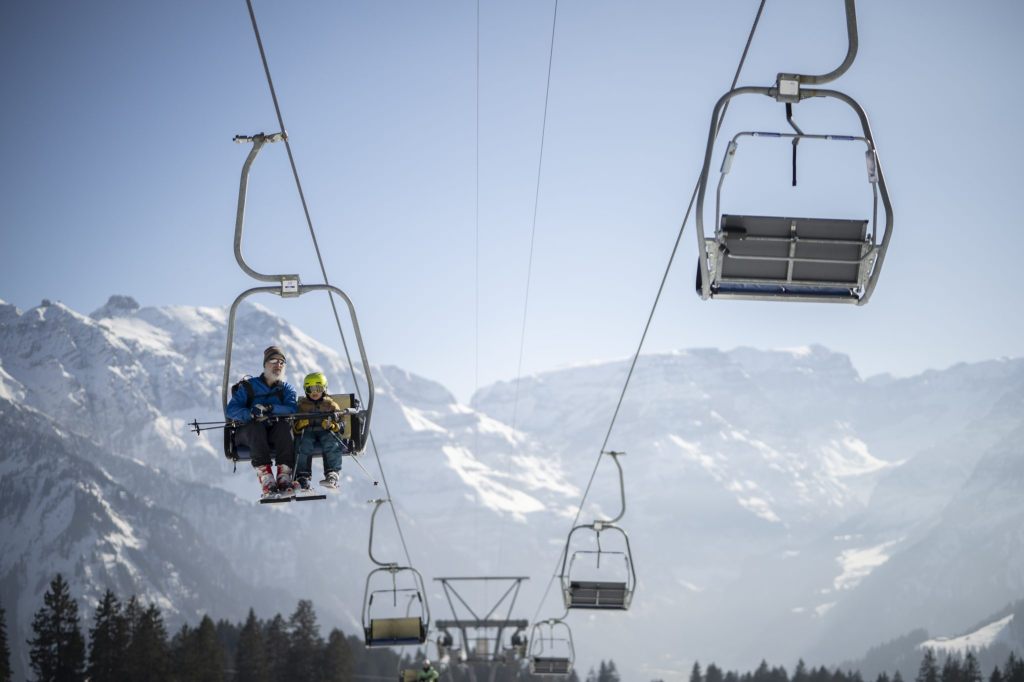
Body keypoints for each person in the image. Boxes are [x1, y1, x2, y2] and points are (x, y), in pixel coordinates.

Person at [225, 345, 298, 497]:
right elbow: (231, 410)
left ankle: (284, 475)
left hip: (272, 431)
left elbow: (292, 409)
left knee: (284, 427)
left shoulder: (286, 389)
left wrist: (271, 408)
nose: (278, 365)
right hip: (248, 433)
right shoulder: (249, 387)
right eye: (273, 360)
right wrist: (250, 413)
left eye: (281, 362)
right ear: (265, 364)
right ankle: (266, 478)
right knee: (255, 428)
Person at [293, 371, 346, 492]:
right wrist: (300, 425)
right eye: (310, 389)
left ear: (324, 388)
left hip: (325, 431)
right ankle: (302, 475)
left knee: (331, 441)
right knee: (302, 443)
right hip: (308, 431)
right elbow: (294, 426)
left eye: (318, 388)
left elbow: (342, 423)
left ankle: (332, 473)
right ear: (306, 390)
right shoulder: (301, 405)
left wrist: (333, 425)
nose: (314, 392)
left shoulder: (330, 404)